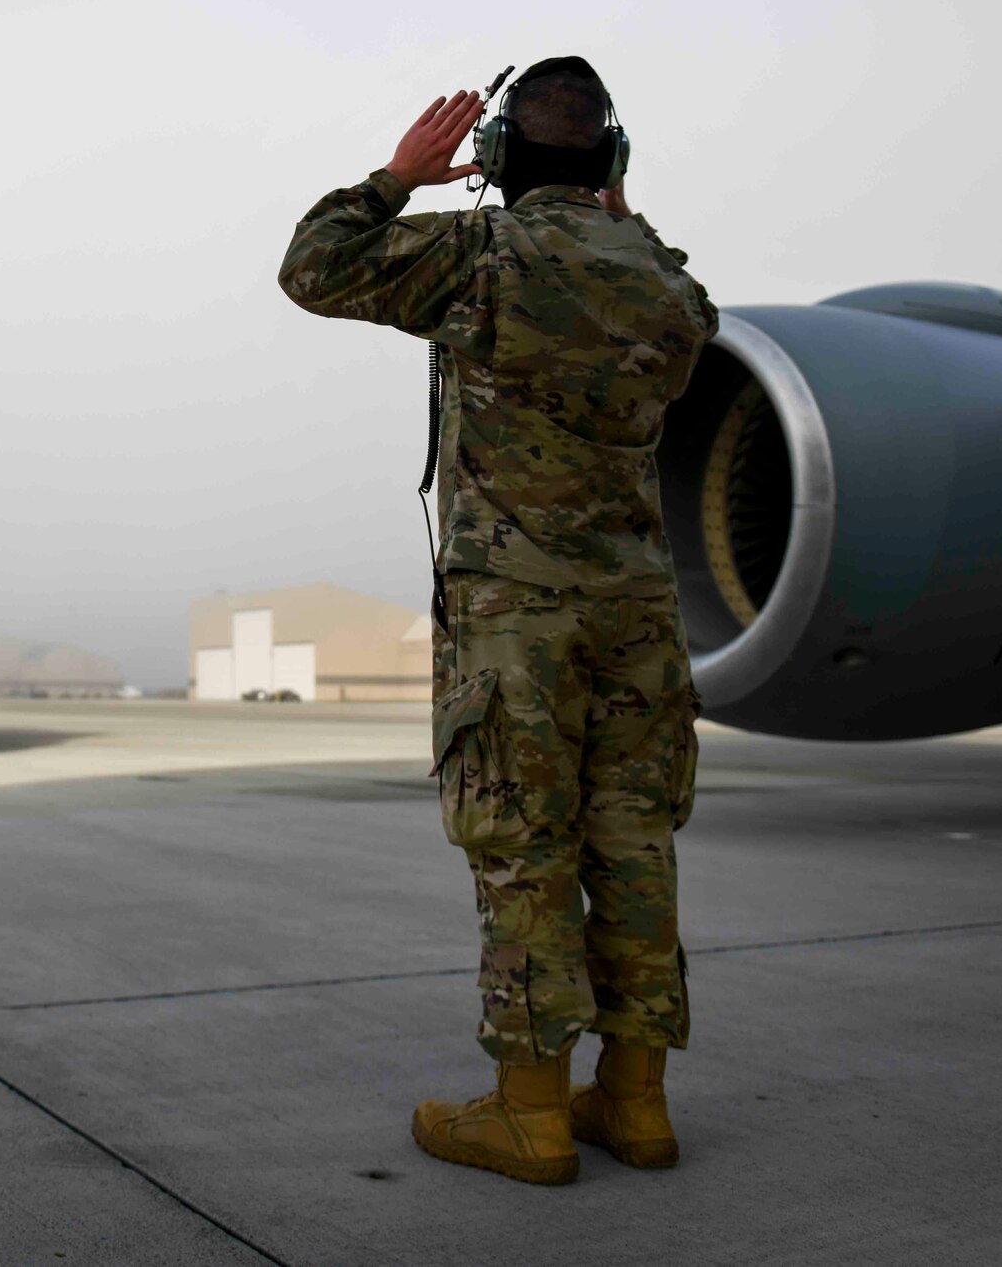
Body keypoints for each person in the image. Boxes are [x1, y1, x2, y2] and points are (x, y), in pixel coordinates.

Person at [276, 57, 717, 1186]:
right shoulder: (663, 288)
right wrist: (626, 217)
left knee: (524, 855)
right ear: (611, 164)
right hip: (635, 615)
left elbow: (313, 269)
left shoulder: (480, 257)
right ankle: (635, 1104)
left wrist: (397, 177)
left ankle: (527, 1114)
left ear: (500, 159)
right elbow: (694, 315)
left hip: (515, 618)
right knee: (632, 848)